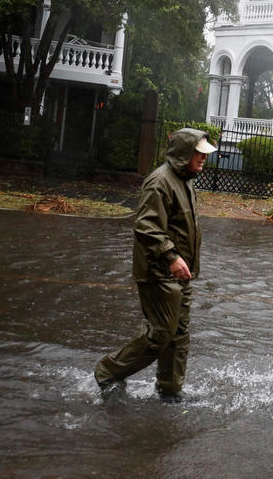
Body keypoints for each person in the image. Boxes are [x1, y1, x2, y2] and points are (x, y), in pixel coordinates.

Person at [94, 127, 217, 403]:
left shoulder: (185, 181)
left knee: (179, 334)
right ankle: (108, 370)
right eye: (199, 154)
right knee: (161, 333)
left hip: (180, 274)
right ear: (185, 154)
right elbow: (146, 226)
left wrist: (182, 264)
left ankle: (169, 389)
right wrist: (171, 257)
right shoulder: (159, 181)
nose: (203, 159)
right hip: (158, 272)